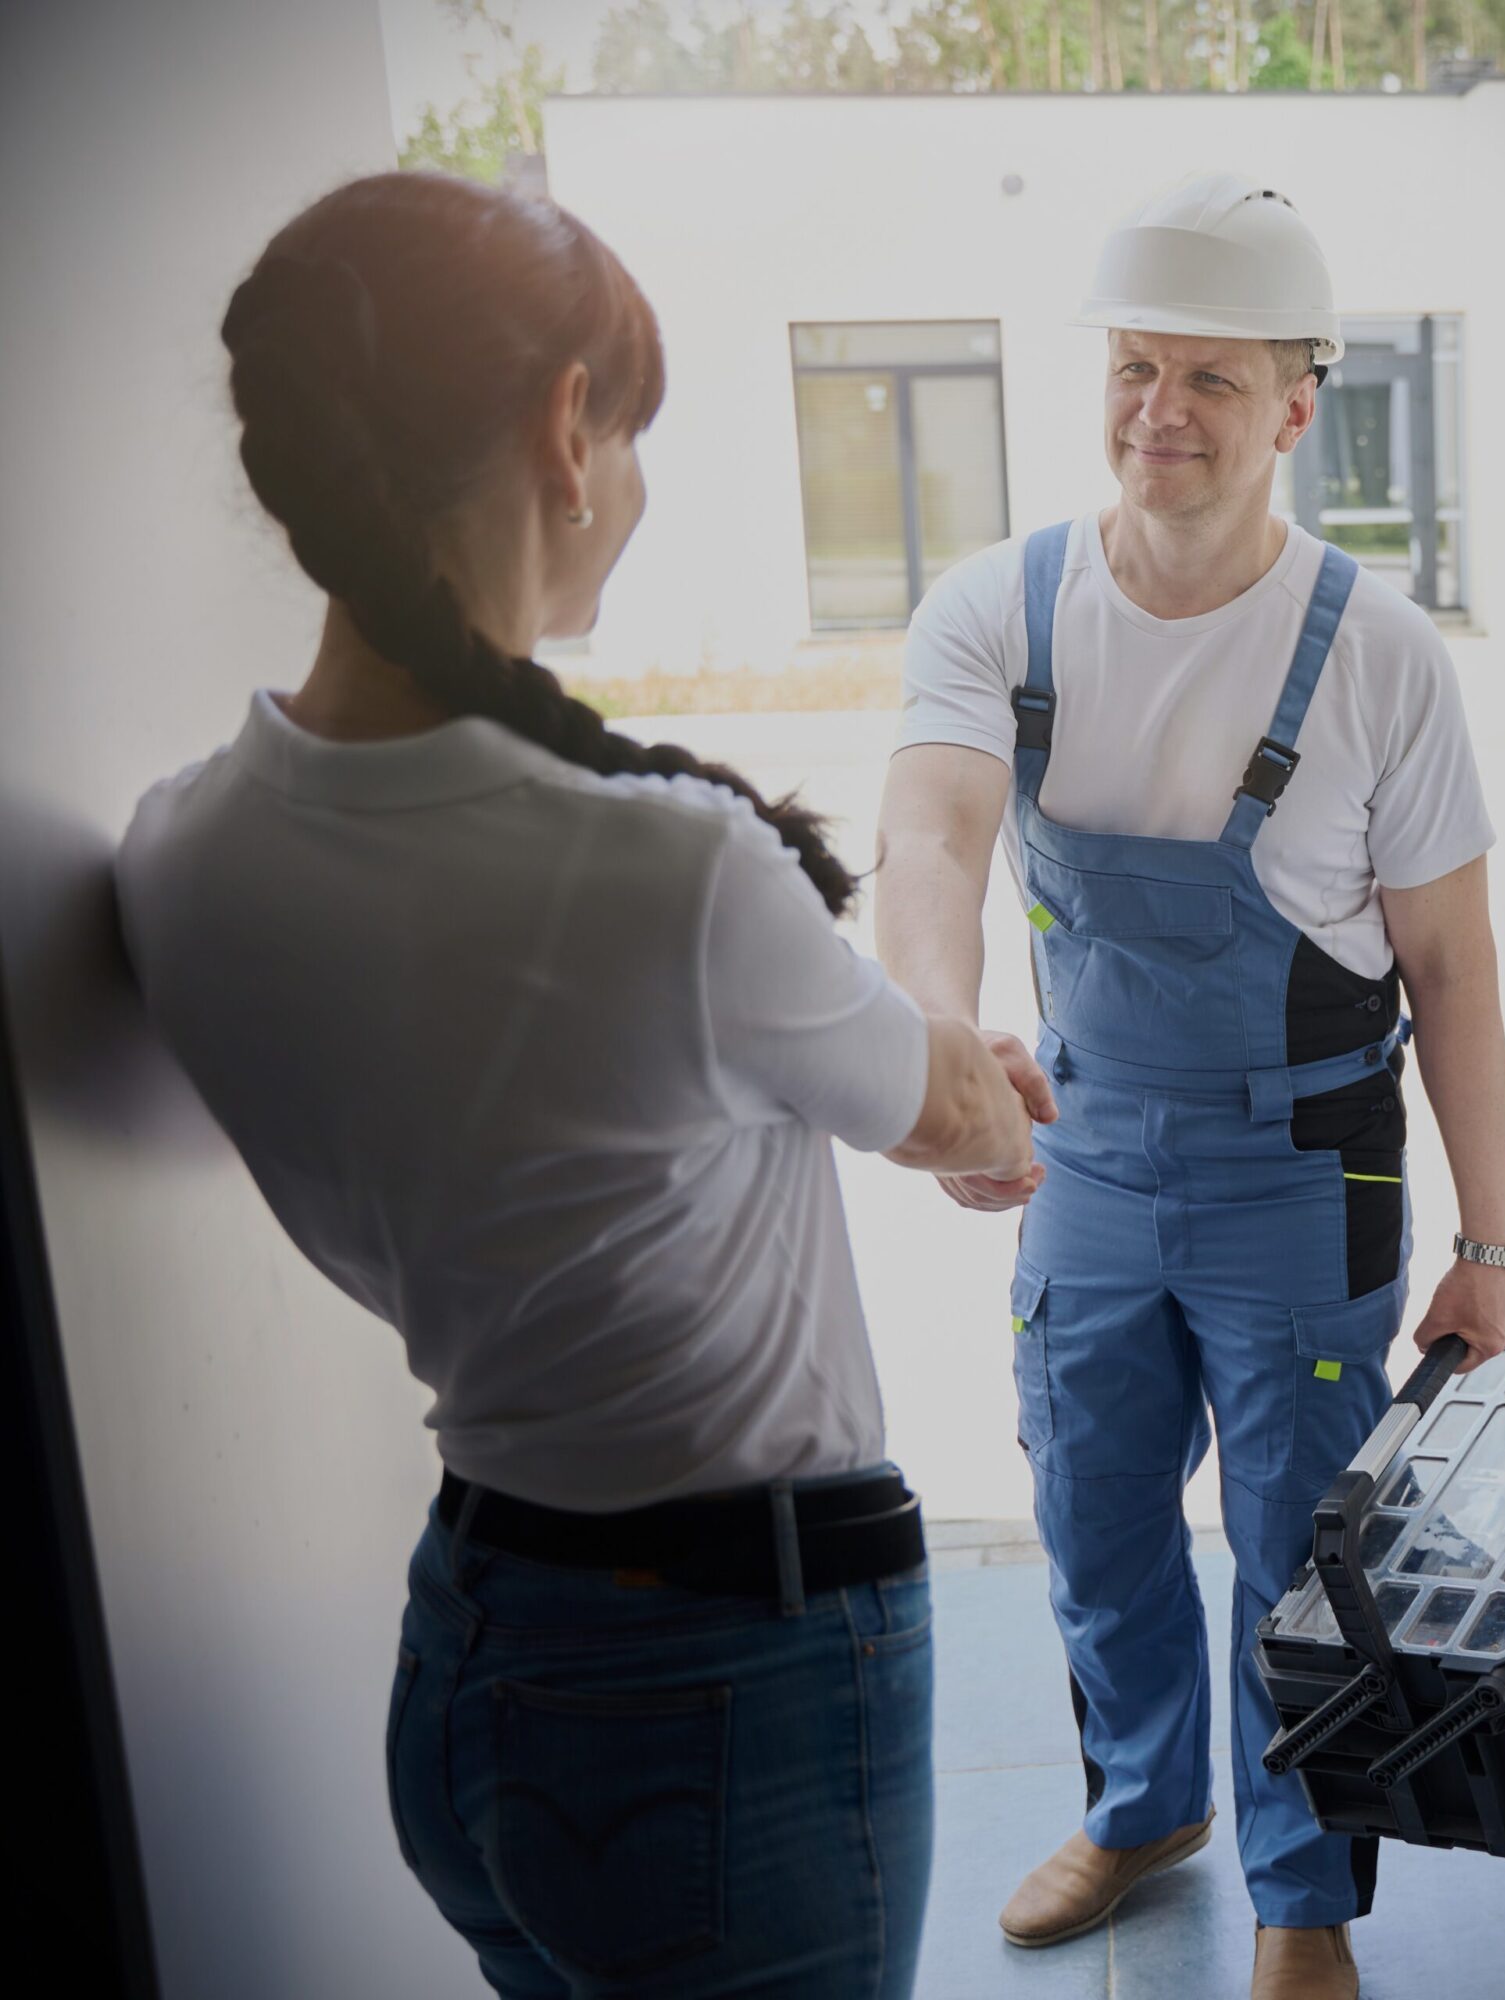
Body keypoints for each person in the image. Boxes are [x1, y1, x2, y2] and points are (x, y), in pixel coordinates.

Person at [115, 172, 1045, 2000]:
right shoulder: (668, 871)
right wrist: (971, 1082)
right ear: (565, 430)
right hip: (727, 1681)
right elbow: (953, 1116)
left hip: (471, 1661)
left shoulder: (179, 855)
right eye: (631, 429)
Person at [873, 171, 1505, 2000]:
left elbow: (1459, 972)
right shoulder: (1000, 608)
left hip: (1307, 1173)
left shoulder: (1381, 659)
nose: (1159, 409)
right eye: (1135, 367)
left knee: (1302, 1552)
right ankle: (1147, 1799)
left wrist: (1493, 1245)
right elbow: (928, 837)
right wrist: (941, 1040)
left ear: (1298, 405)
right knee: (1088, 1504)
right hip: (1088, 1148)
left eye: (1210, 380)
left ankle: (1302, 1897)